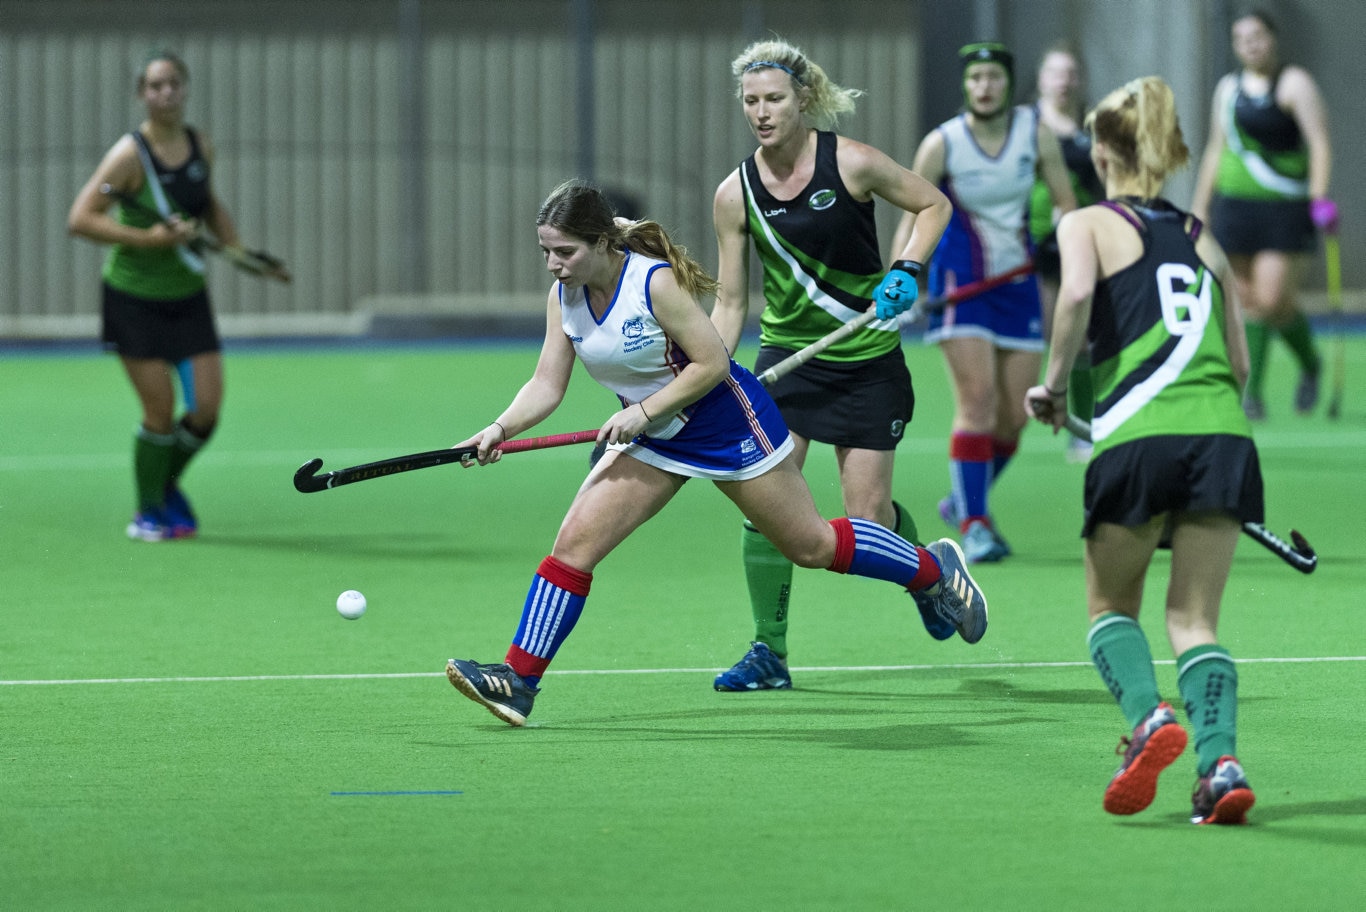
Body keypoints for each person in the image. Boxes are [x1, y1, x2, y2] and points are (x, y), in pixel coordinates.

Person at [443, 181, 987, 727]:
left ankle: (931, 572)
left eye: (565, 252)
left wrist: (644, 410)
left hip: (725, 423)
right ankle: (518, 681)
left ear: (603, 240)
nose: (553, 265)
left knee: (812, 545)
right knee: (573, 547)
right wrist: (499, 428)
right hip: (655, 434)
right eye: (546, 252)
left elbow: (712, 365)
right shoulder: (565, 296)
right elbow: (546, 383)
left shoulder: (652, 283)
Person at [1026, 76, 1259, 825]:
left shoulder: (1086, 223)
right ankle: (1222, 766)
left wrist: (1053, 387)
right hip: (1224, 437)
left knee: (1109, 608)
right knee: (1194, 620)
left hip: (1136, 437)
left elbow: (1074, 299)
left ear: (1100, 151)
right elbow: (1242, 361)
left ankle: (1148, 719)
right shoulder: (1199, 233)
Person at [708, 38, 954, 691]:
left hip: (867, 360)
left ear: (803, 100)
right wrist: (708, 372)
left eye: (774, 100)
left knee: (865, 521)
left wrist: (906, 269)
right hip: (787, 360)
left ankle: (927, 571)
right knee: (768, 506)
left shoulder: (852, 164)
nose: (761, 113)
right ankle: (770, 651)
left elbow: (933, 205)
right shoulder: (734, 195)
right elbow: (731, 302)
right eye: (751, 101)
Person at [68, 49, 286, 542]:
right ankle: (147, 511)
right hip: (133, 298)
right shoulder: (128, 156)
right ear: (141, 94)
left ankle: (163, 482)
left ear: (185, 89)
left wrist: (243, 256)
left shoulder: (199, 145)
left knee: (206, 410)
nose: (165, 93)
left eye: (173, 84)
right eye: (155, 86)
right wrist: (151, 240)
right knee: (160, 415)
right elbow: (80, 219)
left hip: (188, 297)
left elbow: (207, 204)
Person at [891, 42, 1076, 563]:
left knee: (1015, 418)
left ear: (1008, 83)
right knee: (977, 402)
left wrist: (1062, 234)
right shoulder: (943, 143)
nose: (985, 87)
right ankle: (975, 523)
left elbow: (1067, 204)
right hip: (960, 285)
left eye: (994, 77)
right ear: (965, 85)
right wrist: (901, 275)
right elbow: (913, 213)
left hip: (1018, 287)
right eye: (976, 78)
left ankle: (964, 497)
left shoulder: (1034, 135)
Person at [1191, 8, 1336, 420]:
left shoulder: (1295, 84)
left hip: (1283, 210)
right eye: (1242, 38)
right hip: (1234, 208)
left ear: (1272, 38)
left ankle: (1310, 363)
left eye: (1258, 35)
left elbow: (1319, 142)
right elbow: (1216, 149)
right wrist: (1201, 206)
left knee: (1273, 300)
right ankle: (1250, 394)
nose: (1252, 44)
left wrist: (1319, 196)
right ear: (1235, 46)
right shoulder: (1228, 89)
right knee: (1246, 300)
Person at [1029, 42, 1105, 463]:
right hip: (1037, 244)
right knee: (1052, 332)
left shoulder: (1092, 126)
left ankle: (1083, 424)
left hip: (1081, 239)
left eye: (1070, 73)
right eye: (1056, 72)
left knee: (1084, 336)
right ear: (1041, 79)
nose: (1064, 81)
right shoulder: (1028, 125)